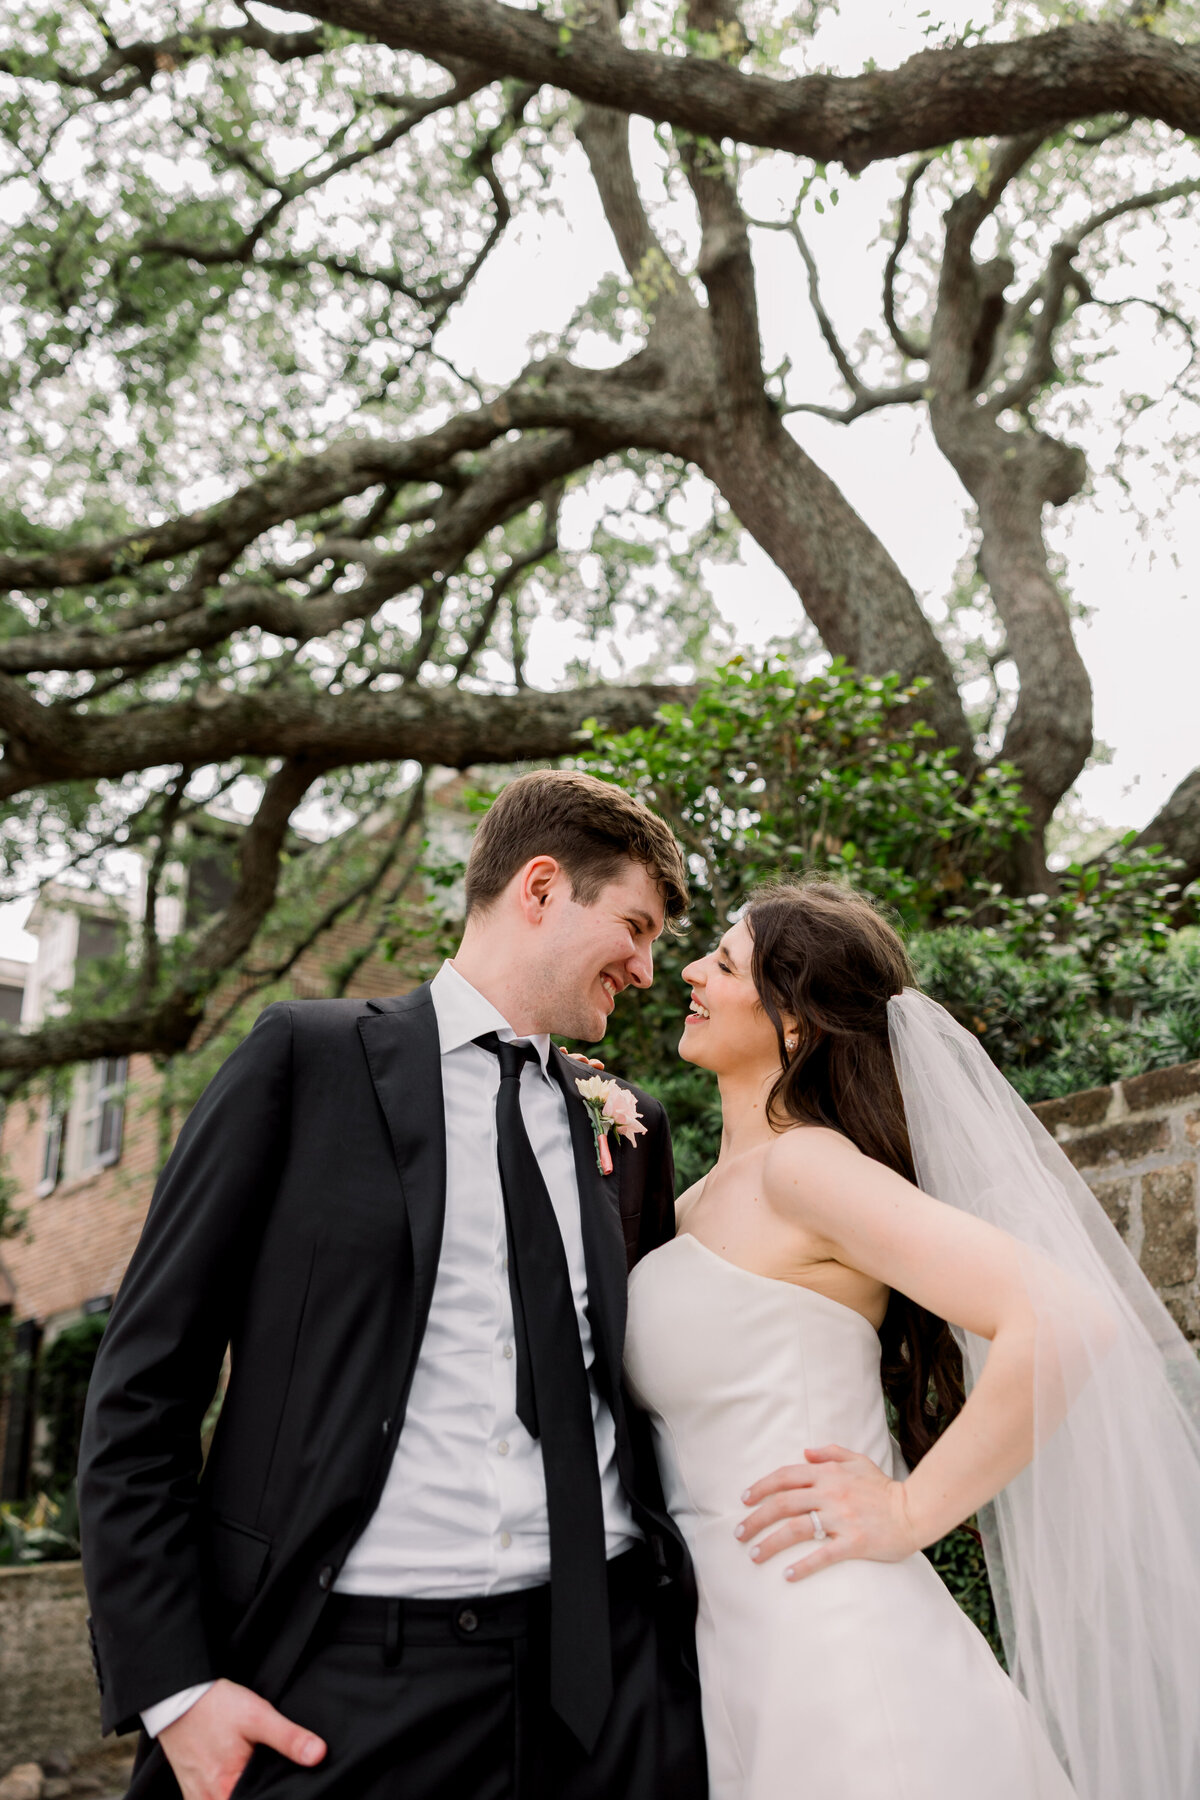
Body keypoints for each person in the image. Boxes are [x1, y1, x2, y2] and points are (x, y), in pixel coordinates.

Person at [79, 769, 707, 1800]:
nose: (644, 970)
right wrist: (176, 1689)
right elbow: (142, 1387)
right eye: (634, 929)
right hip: (350, 1686)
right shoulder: (306, 1061)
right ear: (541, 889)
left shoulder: (627, 1127)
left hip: (612, 1676)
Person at [624, 877, 1200, 1800]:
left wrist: (908, 1511)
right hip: (736, 1654)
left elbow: (1065, 1319)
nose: (689, 972)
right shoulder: (691, 1203)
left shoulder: (806, 1168)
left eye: (722, 963)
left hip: (840, 1653)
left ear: (795, 1026)